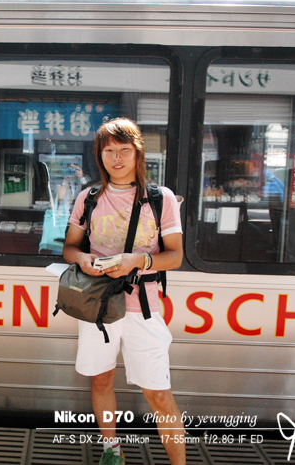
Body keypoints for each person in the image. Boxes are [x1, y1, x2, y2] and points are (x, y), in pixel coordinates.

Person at [62, 118, 186, 465]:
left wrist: (138, 260)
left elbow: (175, 256)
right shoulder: (88, 198)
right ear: (99, 155)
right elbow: (69, 248)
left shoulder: (160, 199)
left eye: (124, 150)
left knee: (159, 395)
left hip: (143, 309)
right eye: (109, 151)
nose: (116, 158)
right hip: (97, 306)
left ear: (137, 153)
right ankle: (112, 451)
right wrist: (83, 259)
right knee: (101, 381)